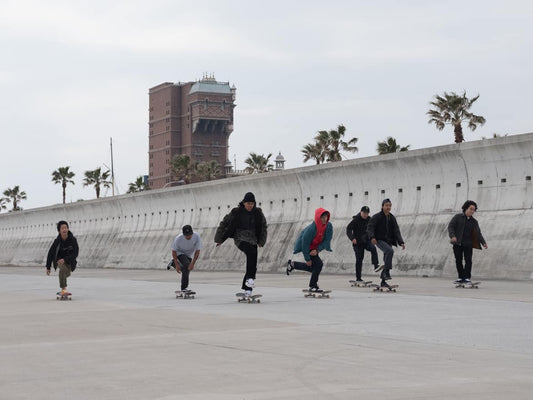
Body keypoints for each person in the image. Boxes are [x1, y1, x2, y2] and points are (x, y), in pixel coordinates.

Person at [215, 192, 267, 297]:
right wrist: (219, 238)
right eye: (248, 204)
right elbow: (224, 223)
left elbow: (263, 226)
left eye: (252, 204)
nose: (250, 206)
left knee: (253, 263)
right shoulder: (236, 212)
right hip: (240, 238)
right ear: (243, 203)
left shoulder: (258, 213)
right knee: (251, 253)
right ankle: (250, 280)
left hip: (253, 239)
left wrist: (261, 241)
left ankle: (247, 290)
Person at [286, 207, 333, 292]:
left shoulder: (328, 226)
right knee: (318, 265)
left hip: (315, 247)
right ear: (318, 218)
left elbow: (327, 241)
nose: (324, 219)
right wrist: (307, 258)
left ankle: (293, 265)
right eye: (322, 217)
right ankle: (313, 285)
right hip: (307, 247)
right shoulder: (311, 229)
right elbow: (305, 244)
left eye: (326, 217)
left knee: (314, 268)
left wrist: (318, 250)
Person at [367, 199, 405, 288]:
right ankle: (387, 272)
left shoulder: (392, 218)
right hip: (378, 240)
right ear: (382, 206)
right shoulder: (377, 217)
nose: (388, 207)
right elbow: (370, 227)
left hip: (388, 241)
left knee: (386, 259)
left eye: (390, 205)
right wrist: (372, 237)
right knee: (389, 251)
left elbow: (396, 231)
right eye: (386, 205)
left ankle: (383, 281)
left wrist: (401, 242)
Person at [447, 200, 488, 284]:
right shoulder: (457, 217)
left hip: (468, 244)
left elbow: (478, 233)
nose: (472, 211)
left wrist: (483, 242)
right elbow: (451, 227)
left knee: (468, 260)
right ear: (466, 208)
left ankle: (467, 278)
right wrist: (453, 236)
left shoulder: (474, 222)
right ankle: (460, 277)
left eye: (474, 210)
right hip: (457, 243)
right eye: (471, 209)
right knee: (458, 260)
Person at [346, 206, 381, 282]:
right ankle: (358, 278)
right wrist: (352, 238)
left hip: (366, 241)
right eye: (364, 213)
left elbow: (373, 228)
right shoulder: (356, 220)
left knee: (373, 248)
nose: (365, 215)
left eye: (367, 213)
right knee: (359, 260)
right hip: (357, 243)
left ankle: (376, 265)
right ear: (361, 212)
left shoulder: (369, 219)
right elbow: (348, 229)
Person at [46, 220, 79, 295]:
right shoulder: (57, 241)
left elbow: (75, 253)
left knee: (66, 273)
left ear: (68, 229)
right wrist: (48, 267)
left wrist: (65, 259)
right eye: (62, 228)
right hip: (59, 260)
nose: (64, 229)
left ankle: (63, 286)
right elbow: (50, 253)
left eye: (65, 228)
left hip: (69, 262)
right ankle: (63, 289)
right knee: (62, 269)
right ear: (59, 231)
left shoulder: (73, 240)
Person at [171, 225, 201, 294]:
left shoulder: (196, 237)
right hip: (179, 253)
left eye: (190, 235)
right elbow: (174, 252)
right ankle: (184, 288)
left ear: (192, 233)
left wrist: (192, 264)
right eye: (186, 235)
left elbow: (197, 251)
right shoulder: (178, 239)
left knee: (186, 270)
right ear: (183, 234)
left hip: (188, 255)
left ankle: (173, 263)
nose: (188, 237)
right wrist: (177, 264)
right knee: (187, 266)